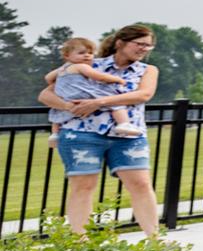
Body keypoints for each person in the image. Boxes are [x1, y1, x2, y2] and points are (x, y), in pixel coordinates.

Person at [35, 24, 161, 238]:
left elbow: (143, 95)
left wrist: (98, 102)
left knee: (141, 184)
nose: (144, 49)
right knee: (83, 186)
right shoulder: (87, 64)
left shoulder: (148, 70)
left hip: (128, 136)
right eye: (139, 44)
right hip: (82, 133)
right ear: (120, 43)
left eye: (148, 46)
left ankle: (155, 240)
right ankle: (79, 243)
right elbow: (45, 95)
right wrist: (70, 107)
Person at [43, 37, 142, 144]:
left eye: (90, 53)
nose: (87, 55)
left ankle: (54, 134)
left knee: (58, 111)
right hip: (84, 93)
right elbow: (99, 77)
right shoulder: (81, 66)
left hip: (67, 96)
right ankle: (124, 123)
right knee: (114, 102)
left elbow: (48, 78)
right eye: (81, 53)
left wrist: (61, 84)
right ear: (67, 56)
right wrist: (117, 79)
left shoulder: (62, 69)